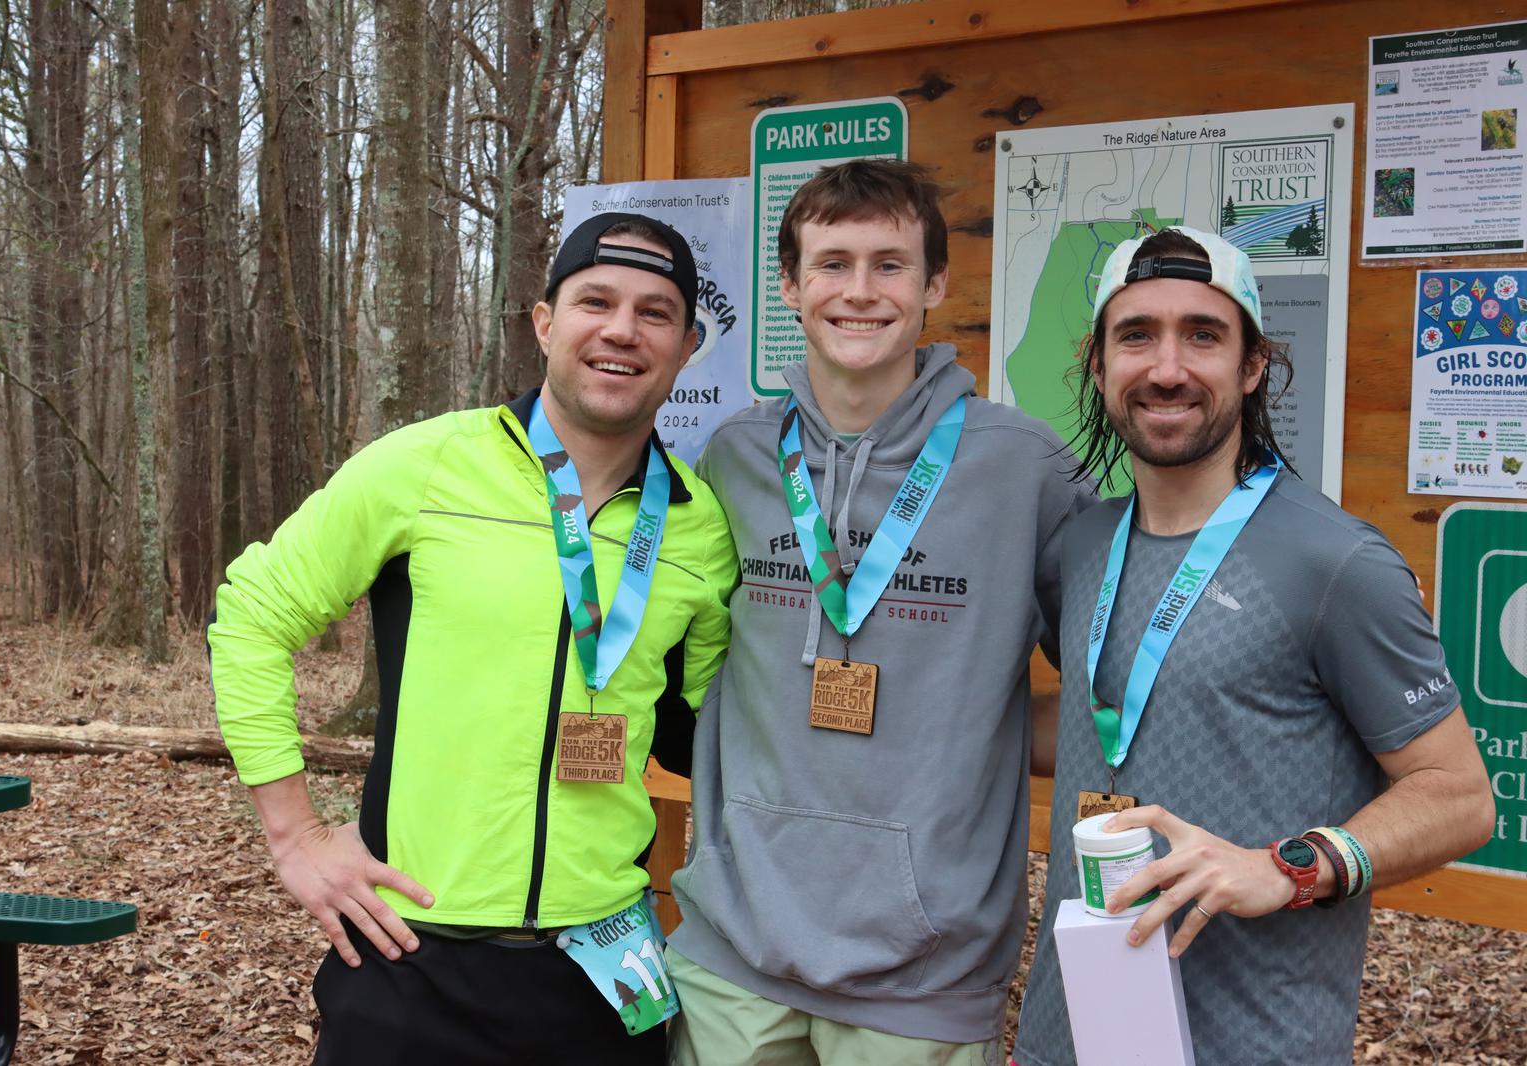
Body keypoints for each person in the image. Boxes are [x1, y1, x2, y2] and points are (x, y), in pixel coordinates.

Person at [207, 213, 736, 1066]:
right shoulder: (427, 464)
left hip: (604, 973)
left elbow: (714, 728)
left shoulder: (699, 526)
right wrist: (297, 837)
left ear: (685, 347)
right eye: (596, 301)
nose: (621, 330)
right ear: (544, 323)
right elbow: (251, 616)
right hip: (412, 956)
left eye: (655, 313)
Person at [1011, 226, 1495, 1066]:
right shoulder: (1082, 546)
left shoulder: (1334, 562)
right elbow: (1106, 722)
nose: (1167, 368)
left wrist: (1292, 866)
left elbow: (1460, 796)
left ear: (1252, 366)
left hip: (1255, 1041)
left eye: (1203, 335)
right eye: (1137, 335)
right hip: (1069, 1034)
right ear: (1098, 365)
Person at [665, 158, 1094, 1064]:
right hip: (732, 955)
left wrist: (982, 732)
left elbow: (1112, 689)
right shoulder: (734, 457)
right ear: (790, 287)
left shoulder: (1023, 467)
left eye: (889, 264)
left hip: (925, 976)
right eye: (832, 264)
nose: (859, 291)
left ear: (934, 284)